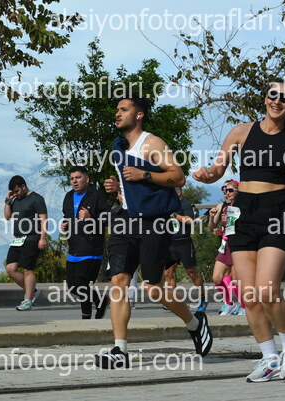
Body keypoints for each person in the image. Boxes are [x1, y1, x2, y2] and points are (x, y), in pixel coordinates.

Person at [98, 97, 212, 369]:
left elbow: (178, 176)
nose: (117, 114)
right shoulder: (119, 147)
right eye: (117, 110)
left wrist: (145, 175)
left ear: (139, 115)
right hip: (125, 220)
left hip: (153, 223)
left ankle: (194, 323)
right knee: (119, 281)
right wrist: (117, 187)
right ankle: (120, 350)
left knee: (153, 288)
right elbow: (131, 184)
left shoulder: (152, 144)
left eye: (124, 110)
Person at [193, 82, 285, 382]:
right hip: (243, 212)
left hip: (278, 210)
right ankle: (269, 359)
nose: (278, 101)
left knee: (267, 289)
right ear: (265, 99)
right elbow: (218, 170)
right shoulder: (241, 132)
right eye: (273, 95)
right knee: (249, 295)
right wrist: (207, 174)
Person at [61, 166, 109, 319]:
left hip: (91, 248)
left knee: (82, 284)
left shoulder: (96, 196)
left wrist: (90, 217)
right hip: (74, 247)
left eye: (78, 177)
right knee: (72, 286)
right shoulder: (68, 196)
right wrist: (65, 224)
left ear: (87, 179)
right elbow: (68, 216)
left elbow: (107, 219)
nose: (74, 181)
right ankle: (100, 300)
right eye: (72, 178)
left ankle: (86, 318)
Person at [4, 175, 48, 311]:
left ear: (23, 186)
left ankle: (28, 300)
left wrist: (43, 238)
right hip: (18, 239)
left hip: (32, 238)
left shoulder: (37, 198)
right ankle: (32, 291)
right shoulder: (15, 200)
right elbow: (7, 216)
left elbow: (44, 219)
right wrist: (8, 201)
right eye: (13, 192)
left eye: (17, 191)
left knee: (28, 269)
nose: (16, 194)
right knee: (10, 269)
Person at [163, 186, 207, 312]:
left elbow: (190, 221)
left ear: (178, 191)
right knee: (168, 273)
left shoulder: (185, 204)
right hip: (170, 243)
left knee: (191, 272)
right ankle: (174, 301)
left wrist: (175, 215)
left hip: (184, 243)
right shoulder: (167, 205)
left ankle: (202, 299)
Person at [209, 180, 244, 316]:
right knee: (217, 278)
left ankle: (244, 306)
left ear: (237, 191)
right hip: (225, 246)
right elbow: (213, 228)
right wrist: (217, 227)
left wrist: (232, 221)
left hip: (238, 245)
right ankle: (229, 304)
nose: (226, 193)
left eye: (230, 190)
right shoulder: (224, 207)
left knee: (235, 280)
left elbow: (246, 228)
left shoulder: (243, 206)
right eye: (224, 189)